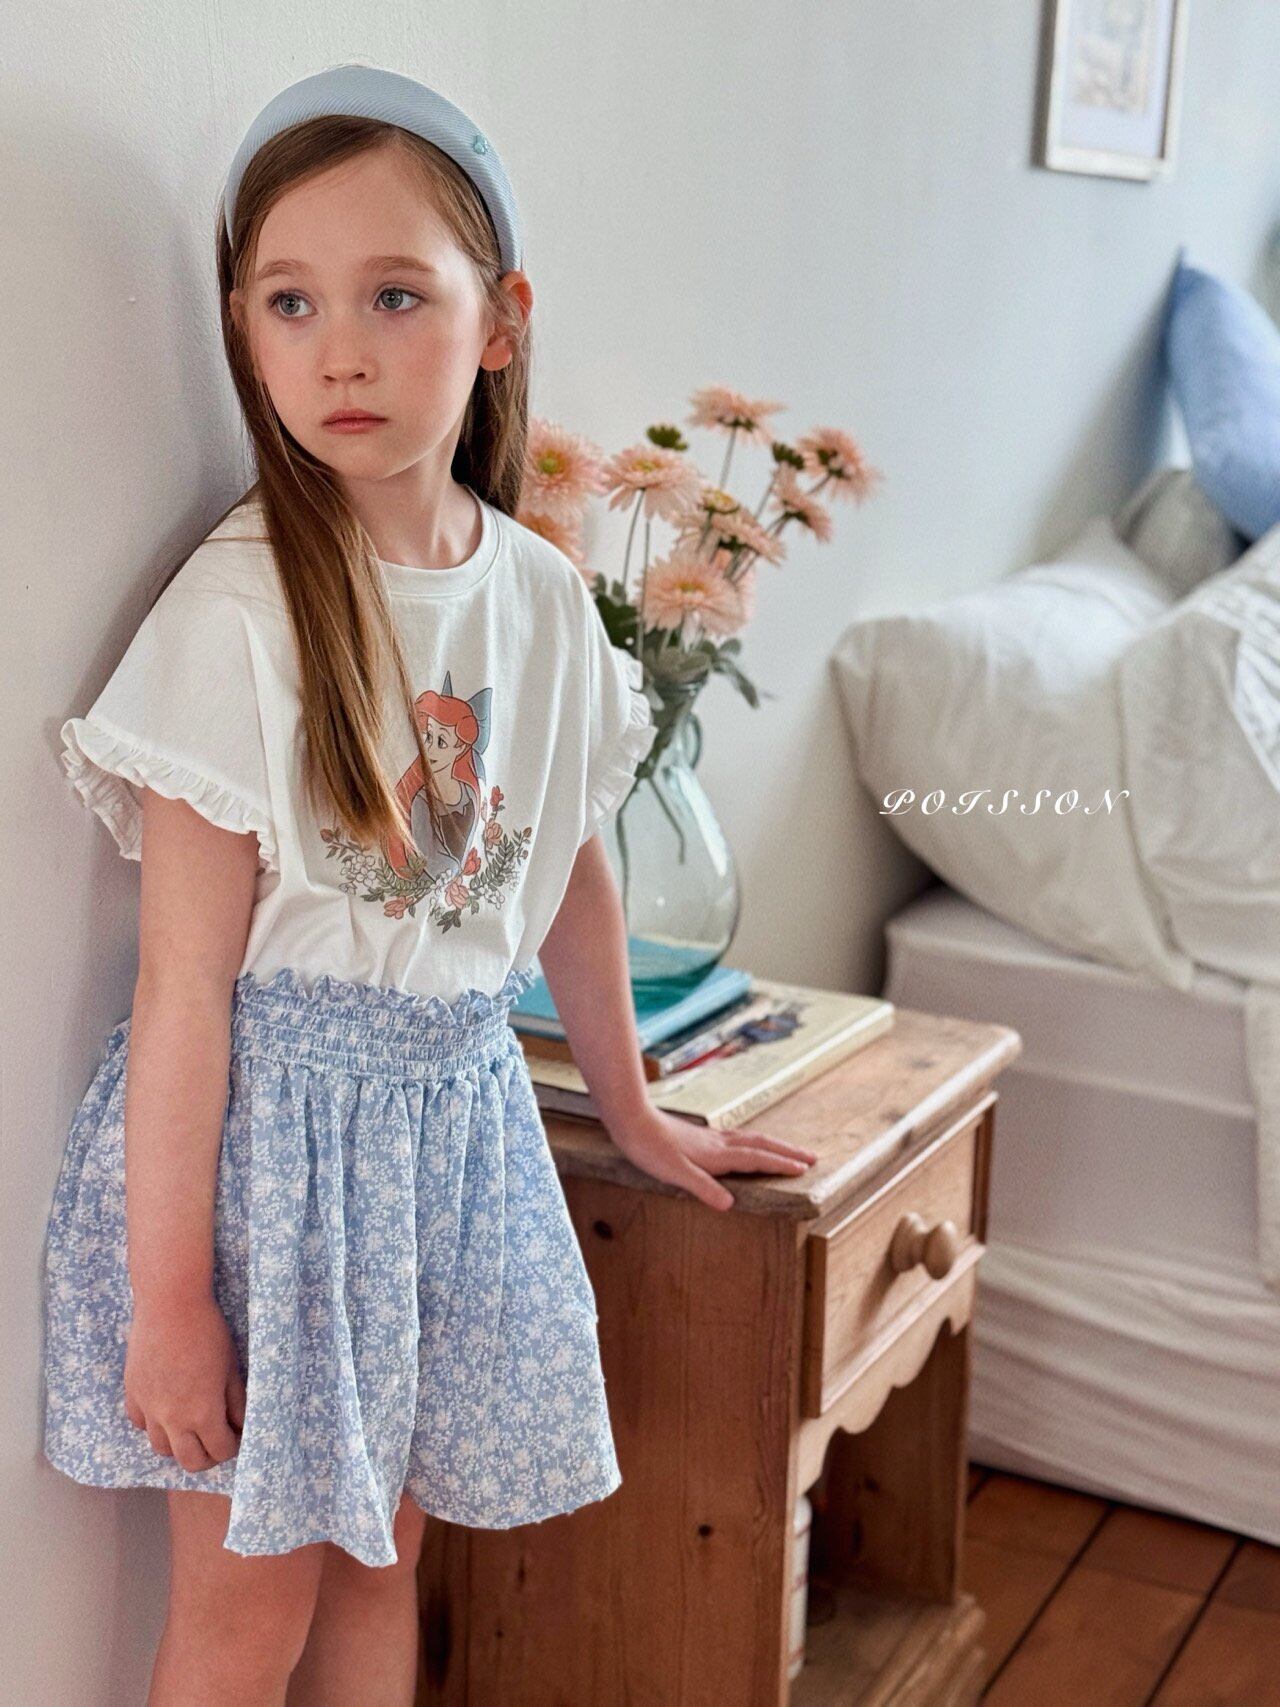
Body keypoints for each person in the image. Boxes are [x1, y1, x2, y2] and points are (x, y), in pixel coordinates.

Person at [40, 62, 819, 1707]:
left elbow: (571, 867)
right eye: (292, 302)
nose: (341, 350)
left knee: (386, 1573)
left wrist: (630, 1106)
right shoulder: (241, 612)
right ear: (244, 328)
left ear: (501, 321)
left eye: (395, 295)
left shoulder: (540, 599)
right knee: (244, 1614)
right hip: (274, 1170)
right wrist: (172, 1304)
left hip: (451, 1142)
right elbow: (182, 990)